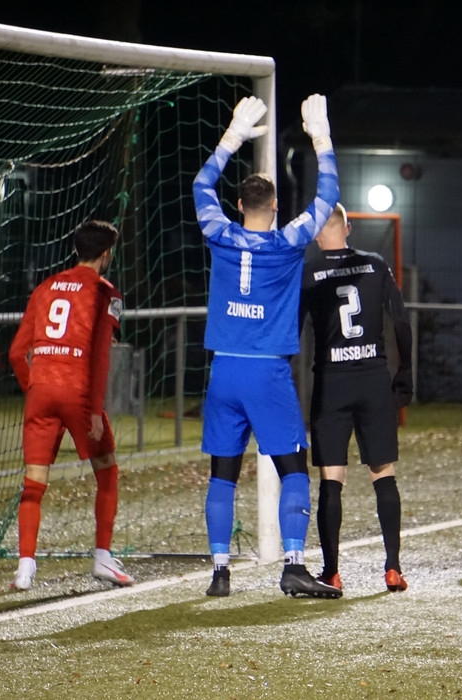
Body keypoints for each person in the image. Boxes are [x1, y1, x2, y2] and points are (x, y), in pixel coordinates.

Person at [193, 93, 341, 598]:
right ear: (275, 207)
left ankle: (219, 573)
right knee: (293, 468)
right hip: (267, 372)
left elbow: (200, 185)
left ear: (238, 206)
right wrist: (320, 136)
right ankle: (294, 565)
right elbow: (328, 196)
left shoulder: (219, 232)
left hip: (224, 370)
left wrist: (232, 137)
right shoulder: (288, 241)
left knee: (223, 474)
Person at [8, 220, 133, 590]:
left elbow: (16, 353)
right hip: (77, 393)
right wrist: (93, 411)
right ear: (106, 254)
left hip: (42, 390)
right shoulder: (105, 292)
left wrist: (34, 387)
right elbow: (100, 357)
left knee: (34, 482)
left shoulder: (45, 287)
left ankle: (25, 569)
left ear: (77, 250)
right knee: (107, 470)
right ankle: (103, 558)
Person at [300, 203, 413, 593]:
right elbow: (400, 320)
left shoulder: (309, 270)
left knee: (331, 478)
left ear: (317, 233)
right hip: (372, 379)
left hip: (331, 381)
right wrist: (405, 371)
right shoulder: (375, 263)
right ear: (348, 228)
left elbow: (293, 329)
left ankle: (331, 572)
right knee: (383, 473)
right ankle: (393, 568)